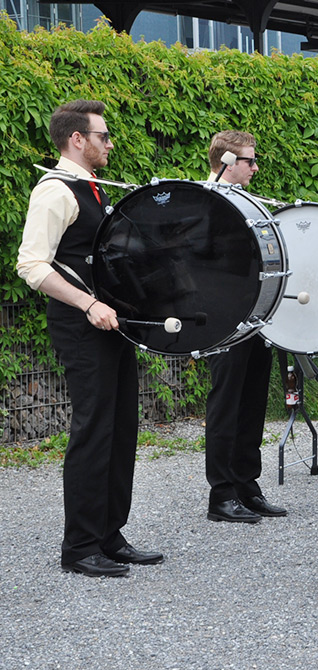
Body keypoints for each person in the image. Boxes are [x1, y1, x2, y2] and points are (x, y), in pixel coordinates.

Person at [17, 99, 162, 577]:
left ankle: (109, 535)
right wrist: (89, 303)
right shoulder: (54, 191)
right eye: (102, 136)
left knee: (121, 429)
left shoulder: (91, 188)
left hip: (112, 323)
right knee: (94, 431)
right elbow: (33, 266)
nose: (109, 143)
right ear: (76, 139)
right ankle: (79, 547)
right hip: (82, 325)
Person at [203, 130, 286, 524]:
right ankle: (220, 496)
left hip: (255, 315)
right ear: (227, 164)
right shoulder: (206, 202)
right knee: (226, 403)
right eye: (249, 161)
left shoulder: (250, 203)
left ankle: (247, 486)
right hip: (222, 318)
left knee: (252, 401)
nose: (255, 167)